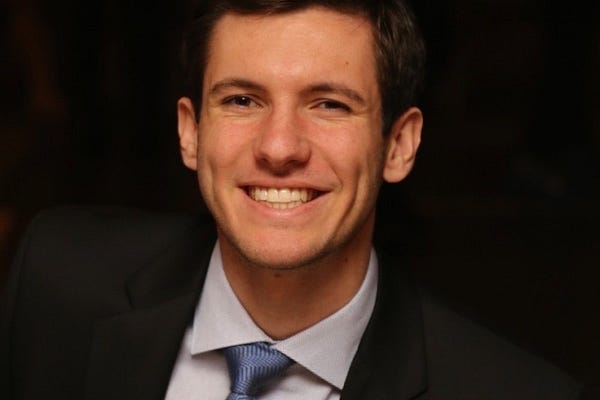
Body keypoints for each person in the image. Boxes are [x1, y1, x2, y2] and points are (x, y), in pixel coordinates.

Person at [0, 0, 583, 399]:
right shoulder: (57, 281)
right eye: (242, 101)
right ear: (190, 133)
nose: (279, 148)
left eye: (329, 104)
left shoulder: (513, 391)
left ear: (399, 145)